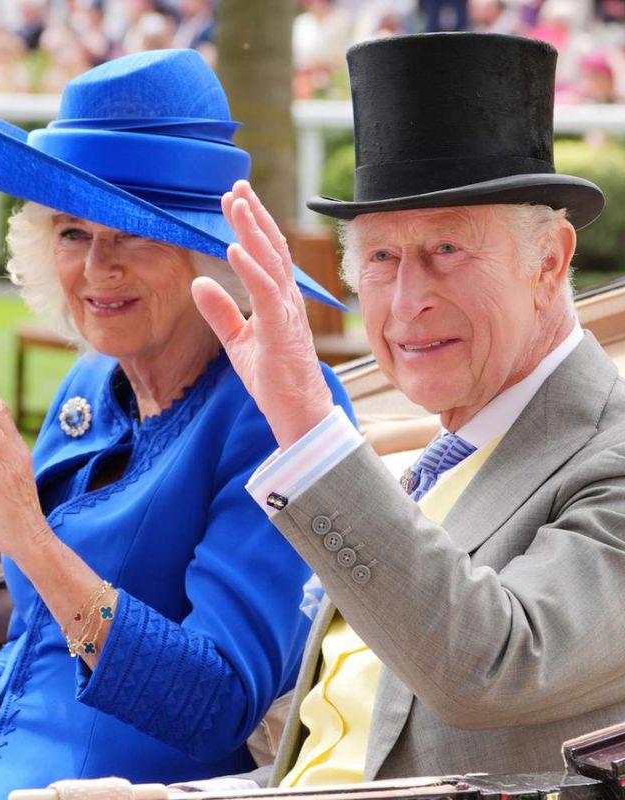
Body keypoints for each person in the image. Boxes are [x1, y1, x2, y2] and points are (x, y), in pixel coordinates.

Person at [189, 32, 625, 786]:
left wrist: (309, 429)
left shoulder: (609, 455)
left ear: (549, 261)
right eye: (382, 259)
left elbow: (492, 665)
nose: (408, 300)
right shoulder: (438, 458)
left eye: (448, 250)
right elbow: (338, 753)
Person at [0, 49, 354, 797]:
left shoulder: (273, 413)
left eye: (130, 233)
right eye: (72, 232)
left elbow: (220, 702)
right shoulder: (92, 386)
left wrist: (33, 543)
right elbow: (44, 641)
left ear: (205, 254)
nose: (96, 268)